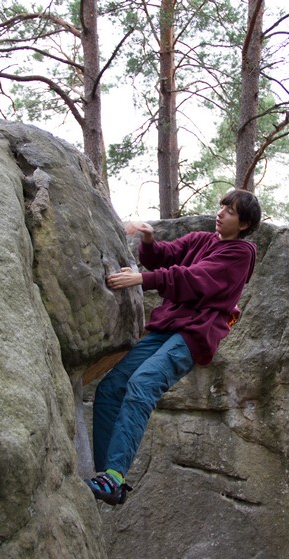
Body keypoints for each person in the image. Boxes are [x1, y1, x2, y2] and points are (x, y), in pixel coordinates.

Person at [85, 188, 261, 505]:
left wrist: (142, 278)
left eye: (230, 211)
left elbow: (195, 279)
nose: (220, 213)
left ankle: (114, 477)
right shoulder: (201, 240)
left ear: (245, 224)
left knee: (142, 382)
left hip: (193, 336)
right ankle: (107, 475)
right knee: (110, 387)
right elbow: (163, 256)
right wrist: (149, 240)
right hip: (166, 329)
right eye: (221, 206)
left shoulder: (241, 254)